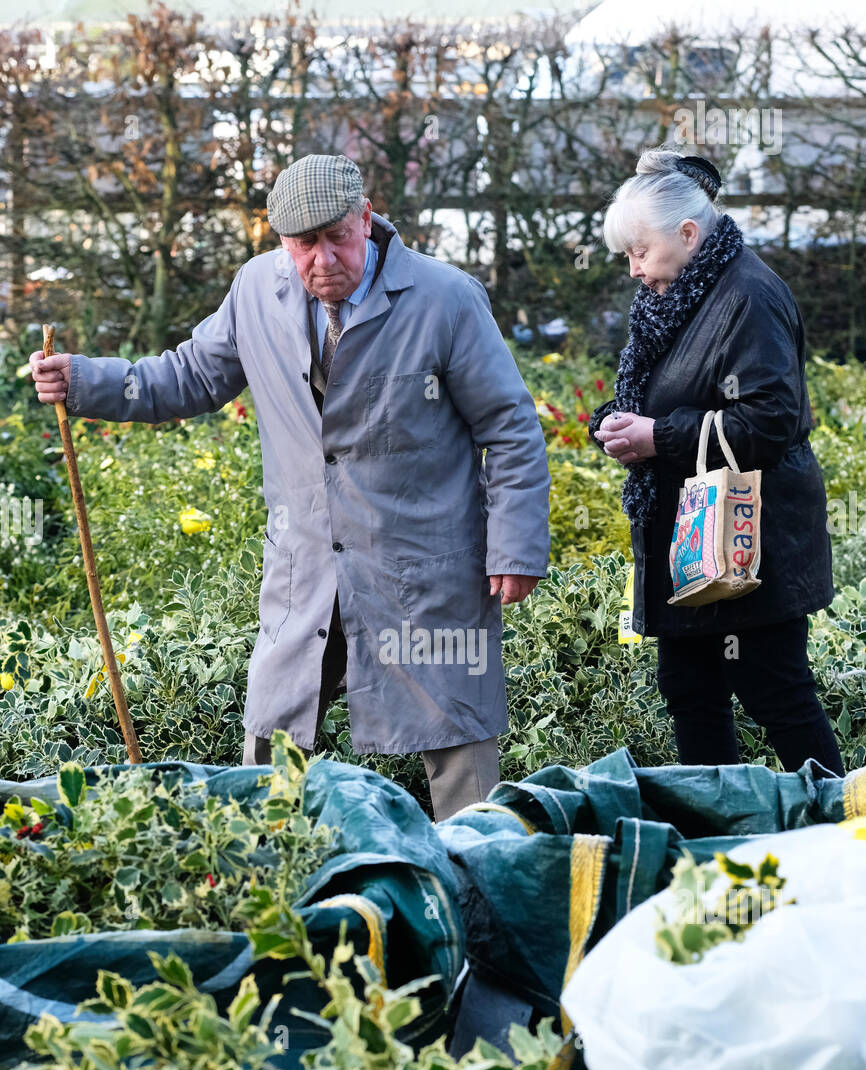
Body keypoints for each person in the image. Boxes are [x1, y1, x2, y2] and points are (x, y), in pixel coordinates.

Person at [30, 153, 551, 820]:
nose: (323, 259)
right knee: (275, 734)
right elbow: (190, 377)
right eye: (304, 244)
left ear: (366, 218)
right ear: (279, 241)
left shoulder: (445, 299)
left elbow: (508, 426)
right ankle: (270, 877)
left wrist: (515, 548)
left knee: (458, 744)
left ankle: (477, 890)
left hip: (425, 566)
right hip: (307, 563)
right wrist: (82, 380)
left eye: (338, 236)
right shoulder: (255, 291)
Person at [588, 146, 843, 777]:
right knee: (692, 696)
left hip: (751, 542)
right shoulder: (680, 294)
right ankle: (718, 837)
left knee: (776, 693)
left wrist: (658, 437)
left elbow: (772, 420)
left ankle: (849, 837)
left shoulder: (749, 294)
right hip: (696, 538)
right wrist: (619, 422)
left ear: (688, 233)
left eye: (638, 252)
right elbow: (673, 392)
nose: (632, 270)